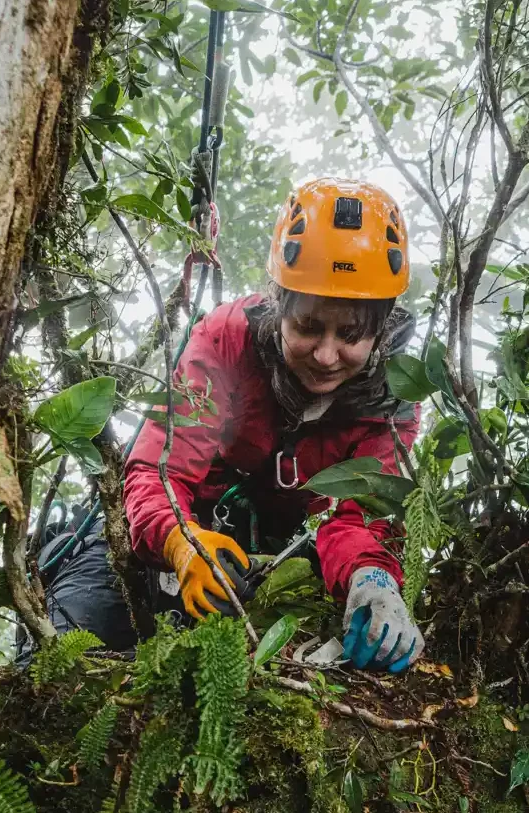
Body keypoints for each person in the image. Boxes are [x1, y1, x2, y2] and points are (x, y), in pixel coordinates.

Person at [123, 177, 425, 673]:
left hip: (290, 554)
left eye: (350, 334)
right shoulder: (226, 341)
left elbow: (359, 519)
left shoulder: (392, 402)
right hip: (197, 528)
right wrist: (181, 541)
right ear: (279, 306)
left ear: (382, 327)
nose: (326, 356)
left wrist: (372, 577)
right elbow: (160, 466)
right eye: (307, 327)